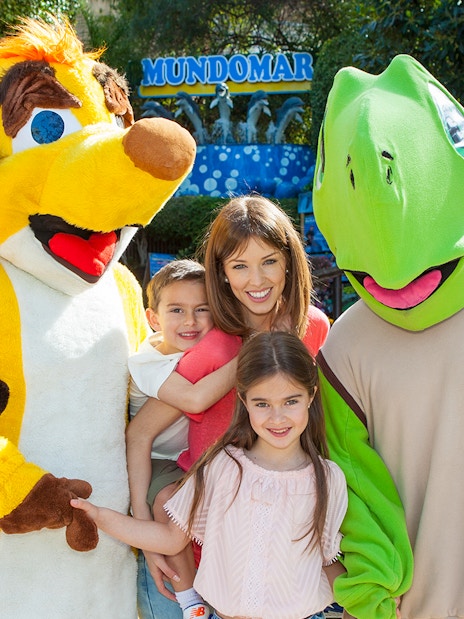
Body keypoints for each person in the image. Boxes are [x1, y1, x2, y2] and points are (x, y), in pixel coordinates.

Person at [72, 331, 348, 619]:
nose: (277, 418)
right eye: (262, 403)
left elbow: (326, 562)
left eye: (291, 401)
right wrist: (98, 515)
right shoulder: (223, 466)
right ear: (244, 400)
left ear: (311, 396)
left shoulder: (328, 479)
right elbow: (170, 537)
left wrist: (368, 603)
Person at [127, 259, 240, 619]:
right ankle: (189, 599)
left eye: (201, 310)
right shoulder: (148, 362)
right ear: (154, 319)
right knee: (166, 503)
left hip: (186, 458)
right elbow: (194, 399)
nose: (190, 321)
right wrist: (251, 351)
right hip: (157, 459)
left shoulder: (198, 352)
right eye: (177, 310)